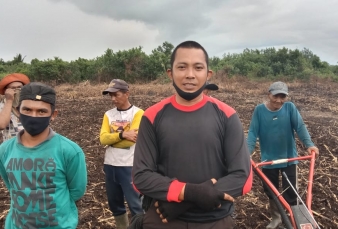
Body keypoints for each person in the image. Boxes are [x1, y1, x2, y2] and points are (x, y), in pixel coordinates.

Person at [132, 41, 252, 229]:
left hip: (215, 221)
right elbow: (141, 176)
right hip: (164, 220)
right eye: (182, 67)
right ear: (170, 73)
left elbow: (243, 178)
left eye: (198, 67)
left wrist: (187, 199)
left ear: (208, 74)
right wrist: (189, 192)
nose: (190, 75)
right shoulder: (152, 116)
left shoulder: (227, 115)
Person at [0, 82, 87, 229]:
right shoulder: (4, 150)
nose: (34, 116)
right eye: (27, 109)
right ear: (17, 112)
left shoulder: (69, 151)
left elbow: (76, 191)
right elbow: (12, 186)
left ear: (53, 115)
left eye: (41, 111)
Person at [247, 81, 319, 229]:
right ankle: (276, 218)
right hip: (268, 159)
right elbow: (253, 132)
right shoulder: (259, 111)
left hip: (289, 157)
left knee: (291, 192)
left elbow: (300, 126)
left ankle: (292, 219)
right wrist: (247, 153)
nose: (279, 100)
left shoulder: (290, 108)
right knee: (271, 191)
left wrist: (309, 144)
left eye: (282, 97)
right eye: (276, 96)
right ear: (269, 94)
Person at [100, 79, 144, 229]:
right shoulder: (108, 114)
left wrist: (112, 140)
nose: (113, 99)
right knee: (115, 204)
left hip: (129, 165)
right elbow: (102, 138)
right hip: (110, 165)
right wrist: (122, 135)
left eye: (116, 95)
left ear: (127, 94)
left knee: (136, 205)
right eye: (110, 95)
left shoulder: (138, 113)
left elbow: (132, 140)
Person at [0, 73, 30, 143]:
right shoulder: (2, 106)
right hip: (11, 146)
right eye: (13, 88)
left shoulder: (29, 103)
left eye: (19, 87)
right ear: (6, 91)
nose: (17, 90)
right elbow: (1, 125)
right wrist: (9, 101)